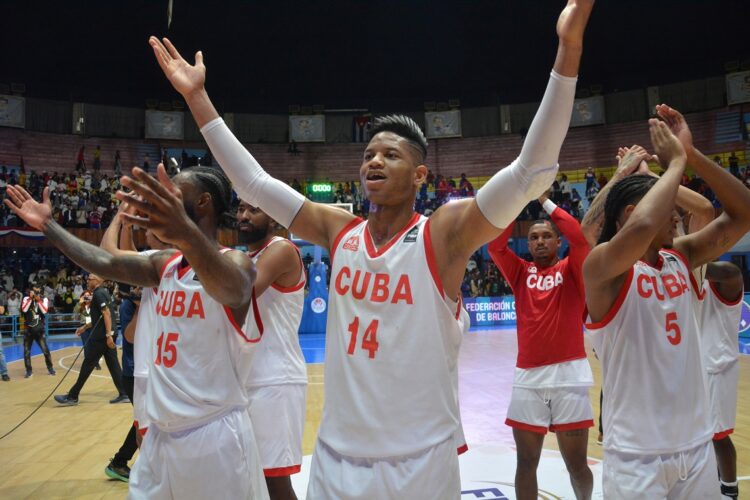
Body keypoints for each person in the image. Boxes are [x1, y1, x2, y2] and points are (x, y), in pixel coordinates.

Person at [149, 1, 593, 496]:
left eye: (390, 155)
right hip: (337, 459)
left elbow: (531, 170)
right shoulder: (340, 232)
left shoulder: (442, 234)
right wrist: (198, 99)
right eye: (368, 155)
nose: (373, 162)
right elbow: (253, 182)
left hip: (418, 460)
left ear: (420, 174)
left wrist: (568, 48)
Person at [4, 164, 269, 499]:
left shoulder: (238, 264)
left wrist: (185, 234)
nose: (161, 199)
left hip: (214, 438)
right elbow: (104, 262)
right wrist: (48, 225)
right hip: (160, 437)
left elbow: (234, 290)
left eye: (173, 193)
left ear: (203, 203)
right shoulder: (164, 265)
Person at [582, 105, 750, 498]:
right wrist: (672, 165)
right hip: (636, 456)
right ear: (631, 212)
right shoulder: (603, 268)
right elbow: (639, 226)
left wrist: (691, 157)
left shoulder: (682, 258)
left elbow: (743, 212)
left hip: (695, 446)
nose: (677, 218)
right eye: (670, 210)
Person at [488, 189, 593, 499]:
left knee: (576, 465)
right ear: (528, 244)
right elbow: (495, 245)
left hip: (569, 377)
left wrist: (544, 200)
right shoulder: (520, 271)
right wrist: (519, 199)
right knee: (525, 463)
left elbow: (581, 238)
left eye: (547, 236)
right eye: (533, 237)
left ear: (557, 242)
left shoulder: (572, 269)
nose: (540, 242)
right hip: (528, 379)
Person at [237, 201, 307, 500]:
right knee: (249, 478)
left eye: (254, 210)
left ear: (276, 217)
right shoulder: (244, 257)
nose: (243, 216)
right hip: (246, 379)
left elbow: (239, 295)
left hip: (276, 380)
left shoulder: (281, 250)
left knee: (274, 483)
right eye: (240, 209)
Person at [100, 205, 169, 482]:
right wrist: (128, 228)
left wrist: (118, 217)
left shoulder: (159, 261)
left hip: (154, 366)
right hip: (156, 363)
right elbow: (132, 260)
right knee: (145, 435)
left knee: (150, 437)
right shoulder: (164, 260)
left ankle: (156, 485)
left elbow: (111, 256)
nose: (146, 228)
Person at [697, 261, 744, 500]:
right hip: (694, 367)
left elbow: (711, 268)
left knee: (718, 436)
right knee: (696, 437)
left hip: (717, 367)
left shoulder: (729, 274)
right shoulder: (688, 281)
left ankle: (729, 490)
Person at [55, 274, 127, 403]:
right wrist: (85, 327)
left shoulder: (99, 294)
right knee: (113, 364)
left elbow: (107, 314)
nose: (87, 281)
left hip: (101, 337)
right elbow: (99, 317)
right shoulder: (103, 292)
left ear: (98, 280)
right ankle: (124, 393)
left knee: (88, 363)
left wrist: (108, 335)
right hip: (106, 334)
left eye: (90, 279)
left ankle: (72, 396)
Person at [21, 286, 55, 377]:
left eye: (37, 291)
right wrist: (31, 299)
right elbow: (24, 309)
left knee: (45, 350)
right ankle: (28, 371)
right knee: (26, 351)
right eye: (33, 290)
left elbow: (44, 311)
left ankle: (50, 368)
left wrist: (38, 300)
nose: (35, 292)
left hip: (39, 330)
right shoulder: (26, 298)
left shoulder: (44, 299)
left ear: (40, 291)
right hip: (28, 329)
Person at [73, 290, 101, 370]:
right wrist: (79, 302)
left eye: (88, 296)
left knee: (94, 345)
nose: (87, 297)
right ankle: (88, 363)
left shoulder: (94, 305)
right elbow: (75, 312)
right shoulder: (81, 306)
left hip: (93, 326)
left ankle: (96, 362)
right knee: (86, 346)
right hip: (84, 327)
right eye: (85, 296)